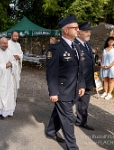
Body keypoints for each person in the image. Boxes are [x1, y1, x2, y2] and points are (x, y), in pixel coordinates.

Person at [45, 15, 85, 150]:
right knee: (68, 119)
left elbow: (80, 69)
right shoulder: (55, 49)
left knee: (59, 112)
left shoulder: (76, 47)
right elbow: (51, 73)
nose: (78, 30)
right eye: (75, 28)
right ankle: (72, 147)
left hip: (74, 90)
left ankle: (50, 130)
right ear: (66, 30)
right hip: (62, 91)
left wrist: (82, 85)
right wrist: (53, 92)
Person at [74, 21, 95, 131]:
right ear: (79, 33)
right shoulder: (74, 45)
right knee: (74, 101)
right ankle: (58, 123)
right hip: (78, 79)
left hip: (88, 79)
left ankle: (82, 121)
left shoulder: (86, 44)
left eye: (89, 31)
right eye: (86, 32)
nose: (89, 33)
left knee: (85, 102)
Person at [0, 37, 17, 120]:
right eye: (4, 43)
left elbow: (14, 63)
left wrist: (12, 64)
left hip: (8, 79)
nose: (5, 45)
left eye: (6, 43)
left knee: (9, 94)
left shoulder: (9, 53)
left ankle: (8, 111)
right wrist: (5, 66)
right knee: (0, 95)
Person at [8, 31, 23, 101]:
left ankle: (14, 96)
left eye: (17, 36)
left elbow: (21, 53)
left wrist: (19, 57)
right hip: (10, 66)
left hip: (17, 66)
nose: (17, 37)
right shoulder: (7, 43)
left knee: (15, 82)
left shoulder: (18, 45)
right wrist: (13, 56)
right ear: (11, 36)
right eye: (15, 36)